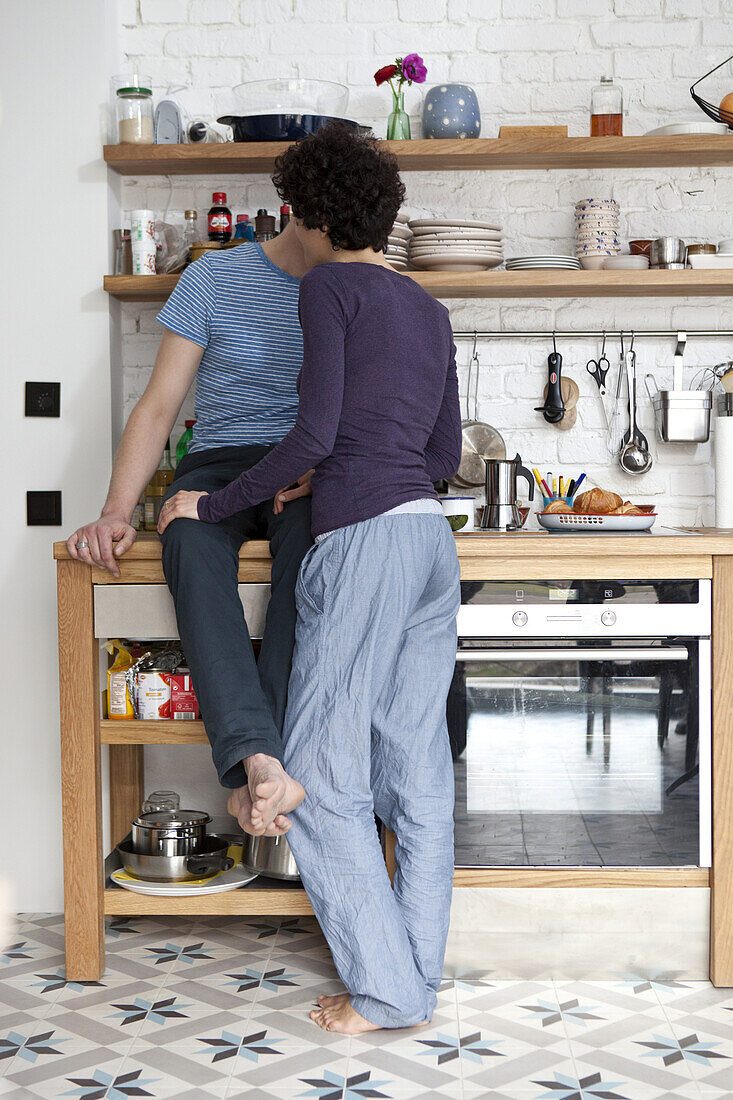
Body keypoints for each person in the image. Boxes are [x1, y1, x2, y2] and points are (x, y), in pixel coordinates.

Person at [159, 123, 462, 1036]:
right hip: (427, 543)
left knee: (321, 781)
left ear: (309, 210)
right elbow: (443, 453)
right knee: (415, 773)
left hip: (365, 544)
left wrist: (207, 510)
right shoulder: (426, 306)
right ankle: (418, 973)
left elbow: (312, 436)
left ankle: (384, 993)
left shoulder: (329, 285)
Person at [66, 218, 313, 836]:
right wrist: (118, 511)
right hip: (218, 464)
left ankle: (261, 762)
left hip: (304, 471)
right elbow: (158, 406)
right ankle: (259, 759)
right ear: (300, 208)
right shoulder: (215, 276)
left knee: (314, 552)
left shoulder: (349, 284)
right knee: (187, 538)